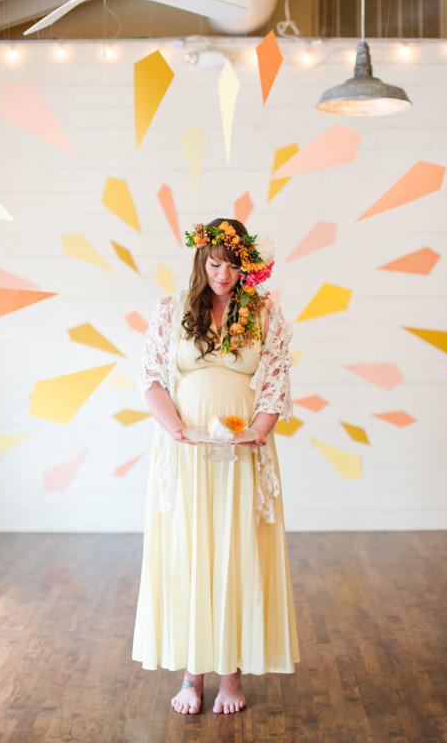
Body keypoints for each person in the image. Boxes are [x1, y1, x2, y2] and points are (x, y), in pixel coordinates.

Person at [132, 218, 299, 715]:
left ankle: (231, 674)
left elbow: (276, 378)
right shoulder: (172, 309)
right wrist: (176, 429)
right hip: (186, 451)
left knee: (236, 549)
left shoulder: (264, 313)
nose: (222, 275)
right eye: (213, 264)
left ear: (246, 266)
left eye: (231, 265)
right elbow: (151, 377)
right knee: (189, 549)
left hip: (242, 452)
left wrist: (259, 429)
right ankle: (192, 675)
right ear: (200, 263)